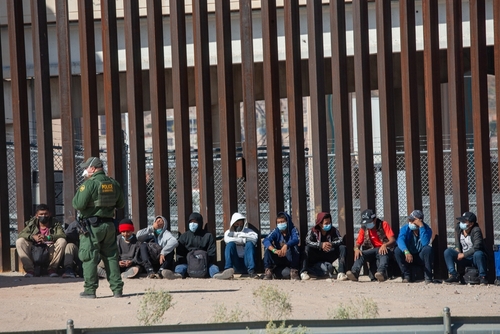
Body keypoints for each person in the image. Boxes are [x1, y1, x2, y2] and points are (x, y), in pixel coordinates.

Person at [72, 156, 125, 298]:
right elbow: (120, 204)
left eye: (86, 168)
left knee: (89, 256)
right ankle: (117, 289)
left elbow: (77, 204)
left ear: (93, 168)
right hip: (109, 225)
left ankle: (90, 290)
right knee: (111, 257)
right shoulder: (114, 183)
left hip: (92, 227)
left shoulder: (89, 184)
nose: (84, 170)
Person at [174, 212, 234, 279]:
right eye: (191, 222)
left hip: (204, 264)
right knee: (179, 267)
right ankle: (177, 275)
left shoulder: (208, 236)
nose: (192, 224)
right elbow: (180, 254)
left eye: (195, 222)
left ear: (200, 223)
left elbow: (211, 252)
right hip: (189, 264)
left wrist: (204, 261)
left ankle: (217, 275)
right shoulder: (184, 236)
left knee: (213, 267)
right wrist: (190, 262)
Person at [16, 204, 67, 277]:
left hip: (50, 251)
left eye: (46, 214)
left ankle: (52, 269)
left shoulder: (55, 223)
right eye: (41, 214)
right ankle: (30, 270)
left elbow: (62, 235)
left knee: (62, 241)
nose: (43, 216)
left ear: (49, 214)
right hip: (35, 251)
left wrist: (48, 238)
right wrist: (33, 237)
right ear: (37, 215)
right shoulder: (32, 223)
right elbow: (21, 234)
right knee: (20, 241)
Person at [346, 209, 396, 282]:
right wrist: (356, 249)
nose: (367, 224)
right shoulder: (364, 228)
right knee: (360, 254)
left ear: (375, 219)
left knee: (382, 252)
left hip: (384, 249)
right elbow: (357, 243)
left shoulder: (383, 224)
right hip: (372, 251)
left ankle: (381, 272)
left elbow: (392, 240)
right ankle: (355, 272)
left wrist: (385, 245)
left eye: (369, 222)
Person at [443, 212, 488, 285]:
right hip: (464, 258)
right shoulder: (459, 229)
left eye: (464, 221)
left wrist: (464, 254)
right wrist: (457, 248)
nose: (461, 223)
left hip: (474, 258)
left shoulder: (476, 230)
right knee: (448, 252)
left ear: (471, 224)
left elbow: (477, 246)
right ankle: (454, 275)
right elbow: (458, 243)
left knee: (479, 253)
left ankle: (482, 277)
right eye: (461, 221)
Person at [300, 212, 348, 281]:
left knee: (342, 247)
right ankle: (303, 272)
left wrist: (331, 244)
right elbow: (307, 241)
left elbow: (340, 240)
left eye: (329, 222)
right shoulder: (313, 231)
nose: (328, 225)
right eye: (326, 223)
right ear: (320, 224)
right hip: (316, 254)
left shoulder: (333, 230)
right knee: (306, 249)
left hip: (328, 253)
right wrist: (320, 245)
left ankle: (341, 273)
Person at [394, 210, 433, 284]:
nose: (410, 222)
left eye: (412, 220)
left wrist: (421, 227)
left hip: (419, 256)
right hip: (408, 255)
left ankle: (428, 277)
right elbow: (400, 240)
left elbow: (425, 243)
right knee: (397, 250)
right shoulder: (405, 228)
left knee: (428, 249)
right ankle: (406, 276)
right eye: (409, 220)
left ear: (420, 220)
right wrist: (406, 251)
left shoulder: (427, 229)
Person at [136, 215, 180, 279]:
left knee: (170, 249)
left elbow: (174, 241)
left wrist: (163, 252)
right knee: (143, 245)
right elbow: (138, 236)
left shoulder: (166, 233)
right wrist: (152, 228)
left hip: (162, 259)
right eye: (157, 221)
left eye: (160, 221)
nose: (158, 223)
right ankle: (150, 270)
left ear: (164, 224)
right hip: (151, 258)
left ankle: (161, 271)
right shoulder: (149, 232)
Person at [262, 212, 300, 280]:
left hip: (289, 258)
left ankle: (294, 271)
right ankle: (268, 271)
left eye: (282, 222)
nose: (280, 224)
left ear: (287, 222)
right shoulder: (275, 231)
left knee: (294, 247)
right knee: (268, 249)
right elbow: (266, 240)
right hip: (278, 256)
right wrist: (274, 250)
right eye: (278, 222)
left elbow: (296, 239)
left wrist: (286, 245)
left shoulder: (293, 230)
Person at [223, 212, 259, 278]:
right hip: (235, 264)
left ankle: (252, 271)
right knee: (230, 245)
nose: (239, 226)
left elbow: (254, 238)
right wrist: (244, 239)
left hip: (246, 262)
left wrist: (236, 235)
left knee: (250, 244)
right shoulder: (228, 232)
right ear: (233, 224)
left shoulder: (249, 231)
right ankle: (228, 270)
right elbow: (228, 240)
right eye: (237, 224)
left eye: (241, 224)